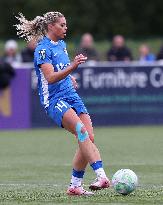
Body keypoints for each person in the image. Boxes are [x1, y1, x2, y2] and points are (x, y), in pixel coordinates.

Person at [15, 12, 110, 196]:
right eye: (62, 25)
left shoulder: (62, 45)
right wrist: (73, 67)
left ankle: (75, 186)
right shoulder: (42, 49)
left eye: (66, 25)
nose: (66, 28)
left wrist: (70, 76)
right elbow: (50, 78)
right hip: (54, 99)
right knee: (81, 131)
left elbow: (60, 69)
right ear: (51, 26)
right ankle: (101, 176)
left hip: (71, 94)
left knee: (88, 136)